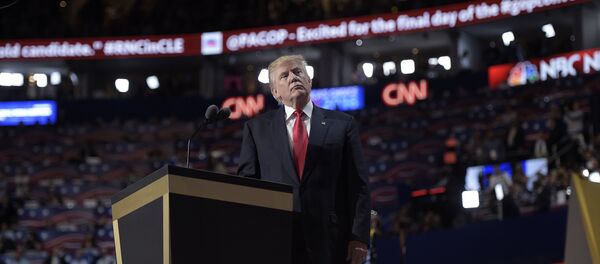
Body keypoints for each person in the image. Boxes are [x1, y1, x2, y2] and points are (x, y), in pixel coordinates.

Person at [238, 55, 371, 264]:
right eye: (284, 75)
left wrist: (359, 237)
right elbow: (248, 189)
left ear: (309, 81)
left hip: (332, 242)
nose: (293, 77)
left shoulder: (343, 124)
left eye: (298, 72)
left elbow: (358, 185)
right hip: (278, 242)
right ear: (275, 92)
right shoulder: (256, 130)